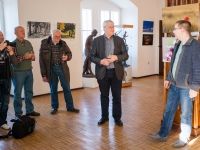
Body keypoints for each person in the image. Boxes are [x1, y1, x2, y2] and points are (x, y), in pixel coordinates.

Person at [148, 20, 200, 148]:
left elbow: (198, 68)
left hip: (187, 88)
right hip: (174, 85)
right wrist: (168, 78)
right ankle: (162, 134)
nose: (173, 31)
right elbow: (173, 64)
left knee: (185, 114)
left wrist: (195, 87)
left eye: (175, 29)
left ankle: (184, 138)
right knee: (168, 111)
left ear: (182, 30)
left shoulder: (195, 45)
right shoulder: (177, 44)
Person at [90, 20, 128, 127]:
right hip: (103, 73)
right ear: (104, 28)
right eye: (110, 27)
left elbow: (125, 55)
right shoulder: (97, 40)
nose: (112, 29)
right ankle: (104, 117)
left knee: (117, 96)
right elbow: (92, 56)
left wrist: (116, 57)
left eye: (113, 27)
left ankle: (117, 118)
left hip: (116, 72)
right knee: (104, 96)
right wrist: (101, 61)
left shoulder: (119, 40)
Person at [39, 29, 79, 115]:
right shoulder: (44, 43)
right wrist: (43, 74)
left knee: (67, 88)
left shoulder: (63, 43)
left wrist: (67, 57)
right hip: (51, 69)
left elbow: (70, 54)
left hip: (62, 68)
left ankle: (70, 107)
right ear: (51, 35)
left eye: (59, 36)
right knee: (53, 89)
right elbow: (41, 61)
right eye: (55, 36)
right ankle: (54, 107)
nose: (58, 38)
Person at [12, 26, 40, 119]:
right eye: (21, 31)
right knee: (18, 93)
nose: (23, 32)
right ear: (15, 33)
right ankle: (18, 113)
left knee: (29, 91)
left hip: (29, 70)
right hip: (18, 72)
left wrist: (32, 57)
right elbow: (14, 61)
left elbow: (33, 55)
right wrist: (24, 57)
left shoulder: (28, 43)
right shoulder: (13, 44)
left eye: (23, 30)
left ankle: (30, 110)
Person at [0, 31, 18, 129]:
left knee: (5, 103)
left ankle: (2, 122)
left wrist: (11, 52)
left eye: (2, 35)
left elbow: (15, 63)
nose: (2, 38)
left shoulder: (7, 49)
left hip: (6, 78)